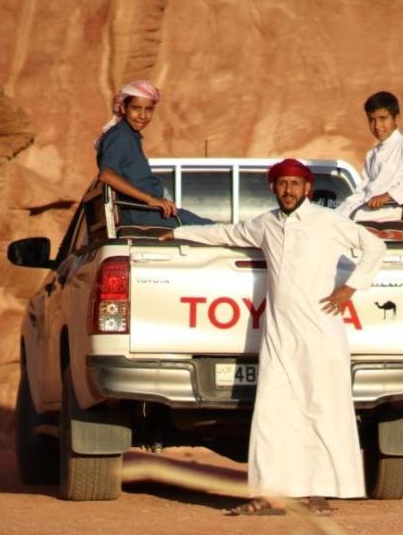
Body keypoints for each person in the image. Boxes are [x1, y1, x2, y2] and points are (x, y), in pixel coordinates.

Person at [162, 158, 385, 515]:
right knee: (273, 412)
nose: (289, 190)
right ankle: (268, 494)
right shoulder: (266, 224)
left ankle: (319, 493)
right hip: (279, 335)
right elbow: (225, 232)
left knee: (321, 408)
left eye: (296, 184)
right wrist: (178, 232)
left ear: (307, 188)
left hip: (321, 335)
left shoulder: (328, 222)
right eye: (282, 184)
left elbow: (375, 248)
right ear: (274, 188)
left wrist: (349, 289)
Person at [94, 79, 207, 228]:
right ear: (122, 108)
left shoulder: (130, 135)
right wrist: (150, 199)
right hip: (140, 214)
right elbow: (106, 174)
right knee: (212, 231)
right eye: (136, 108)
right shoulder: (120, 135)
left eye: (148, 109)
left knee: (208, 227)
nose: (142, 115)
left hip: (148, 211)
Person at [333, 90, 403, 223]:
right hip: (366, 208)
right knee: (328, 219)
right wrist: (340, 210)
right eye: (372, 120)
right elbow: (362, 191)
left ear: (396, 119)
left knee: (343, 222)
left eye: (383, 119)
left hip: (387, 211)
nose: (377, 126)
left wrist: (388, 195)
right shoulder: (372, 155)